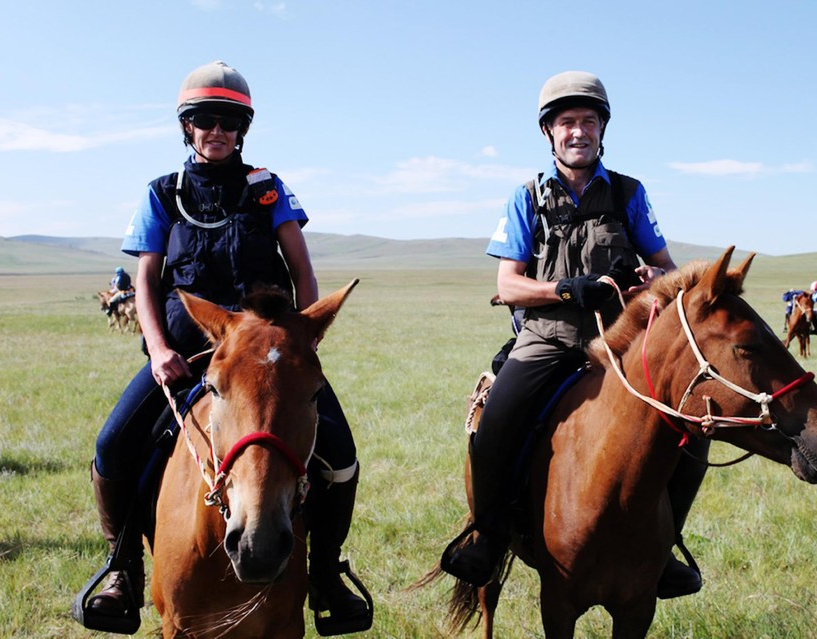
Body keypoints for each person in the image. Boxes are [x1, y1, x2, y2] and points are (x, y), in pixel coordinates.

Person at [83, 61, 370, 633]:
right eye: (205, 121)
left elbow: (301, 268)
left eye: (229, 121)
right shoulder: (163, 193)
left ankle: (326, 573)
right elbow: (145, 279)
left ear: (243, 129)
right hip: (187, 352)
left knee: (339, 454)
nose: (217, 131)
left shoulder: (266, 189)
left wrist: (302, 340)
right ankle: (123, 568)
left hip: (265, 353)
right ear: (187, 127)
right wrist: (158, 348)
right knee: (113, 444)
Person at [441, 71, 705, 599]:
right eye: (566, 123)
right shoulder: (527, 197)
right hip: (547, 338)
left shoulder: (629, 193)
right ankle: (488, 535)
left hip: (620, 345)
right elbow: (508, 285)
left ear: (602, 130)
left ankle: (665, 542)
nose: (578, 132)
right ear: (549, 133)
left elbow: (668, 269)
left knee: (692, 430)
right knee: (494, 424)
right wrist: (564, 289)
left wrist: (654, 279)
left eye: (588, 121)